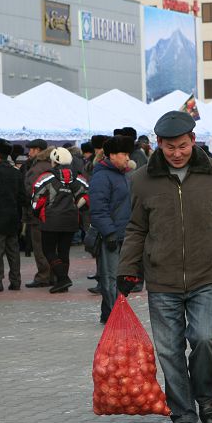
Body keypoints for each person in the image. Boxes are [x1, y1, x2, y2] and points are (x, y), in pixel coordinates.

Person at [117, 111, 212, 423]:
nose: (177, 153)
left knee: (205, 338)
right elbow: (137, 228)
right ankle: (182, 412)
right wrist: (127, 270)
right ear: (159, 145)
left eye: (182, 146)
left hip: (206, 274)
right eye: (170, 148)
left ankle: (205, 395)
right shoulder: (141, 179)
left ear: (193, 141)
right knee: (169, 349)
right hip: (161, 277)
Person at [30, 147, 89, 294]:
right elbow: (86, 197)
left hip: (51, 219)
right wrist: (77, 208)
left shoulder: (46, 177)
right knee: (64, 251)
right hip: (71, 219)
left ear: (54, 161)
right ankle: (62, 282)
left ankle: (63, 279)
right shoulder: (79, 177)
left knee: (48, 250)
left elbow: (36, 198)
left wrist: (37, 212)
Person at [89, 135, 133, 324]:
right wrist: (110, 233)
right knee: (110, 279)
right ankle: (117, 315)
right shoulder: (102, 177)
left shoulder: (122, 175)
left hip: (124, 234)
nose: (127, 157)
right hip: (111, 236)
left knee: (120, 277)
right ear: (112, 155)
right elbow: (98, 209)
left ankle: (109, 313)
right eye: (123, 153)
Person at [0, 139, 26, 292]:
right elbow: (23, 197)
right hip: (14, 217)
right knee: (13, 251)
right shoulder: (16, 173)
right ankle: (15, 281)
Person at [22, 139, 53, 288]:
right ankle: (52, 274)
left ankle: (43, 276)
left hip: (38, 212)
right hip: (52, 212)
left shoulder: (37, 168)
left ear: (38, 150)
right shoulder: (51, 164)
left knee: (39, 246)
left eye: (32, 150)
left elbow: (31, 190)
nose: (30, 152)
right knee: (50, 245)